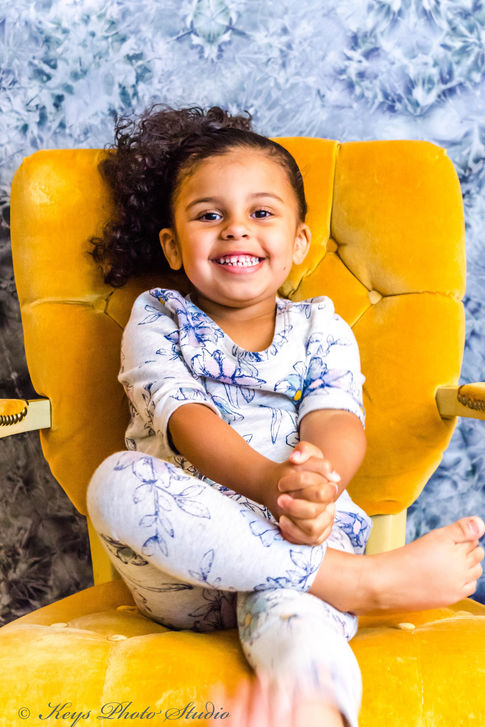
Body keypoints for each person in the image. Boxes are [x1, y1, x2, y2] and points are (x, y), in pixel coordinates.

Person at [86, 105, 485, 727]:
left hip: (299, 532)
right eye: (209, 215)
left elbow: (337, 417)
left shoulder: (320, 328)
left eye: (261, 213)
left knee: (295, 622)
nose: (236, 230)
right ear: (172, 245)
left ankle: (314, 710)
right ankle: (365, 582)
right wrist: (271, 483)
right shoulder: (159, 318)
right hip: (181, 571)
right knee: (115, 481)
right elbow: (184, 418)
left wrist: (318, 482)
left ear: (299, 242)